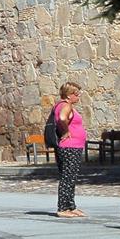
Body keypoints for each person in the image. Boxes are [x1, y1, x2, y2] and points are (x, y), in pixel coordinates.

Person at [53, 81, 86, 218]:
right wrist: (66, 131)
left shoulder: (64, 105)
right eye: (76, 94)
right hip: (70, 147)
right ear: (69, 95)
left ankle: (71, 206)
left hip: (73, 146)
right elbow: (62, 118)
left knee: (70, 177)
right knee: (67, 177)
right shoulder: (66, 106)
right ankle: (62, 208)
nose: (78, 97)